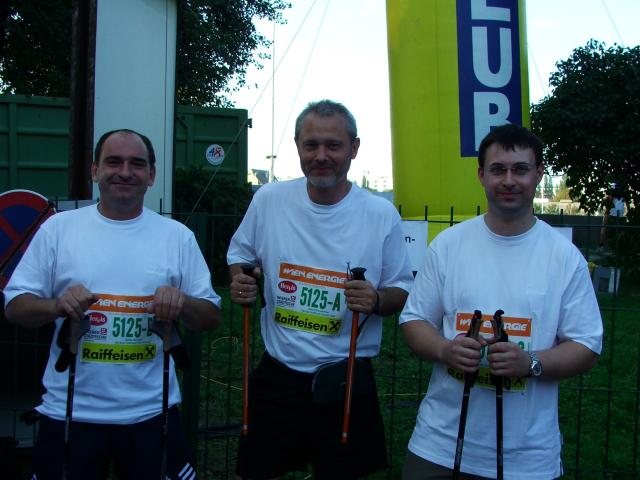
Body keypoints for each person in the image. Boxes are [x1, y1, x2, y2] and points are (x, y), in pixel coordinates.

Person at [4, 129, 221, 480]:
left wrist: (181, 302)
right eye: (114, 162)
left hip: (152, 414)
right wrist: (58, 305)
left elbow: (210, 316)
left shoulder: (177, 237)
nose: (125, 172)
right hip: (70, 412)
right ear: (95, 170)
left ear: (151, 174)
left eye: (137, 164)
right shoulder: (58, 230)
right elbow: (15, 307)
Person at [399, 124, 603, 480]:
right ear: (481, 175)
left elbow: (587, 345)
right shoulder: (448, 245)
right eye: (498, 170)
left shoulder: (564, 257)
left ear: (538, 174)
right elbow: (414, 321)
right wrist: (446, 350)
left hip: (527, 458)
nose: (509, 180)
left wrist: (531, 362)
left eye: (520, 169)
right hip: (439, 446)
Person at [227, 99, 413, 479]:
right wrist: (241, 279)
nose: (321, 156)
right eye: (311, 145)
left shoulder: (380, 214)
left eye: (334, 145)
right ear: (297, 146)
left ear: (354, 148)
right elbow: (240, 255)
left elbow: (400, 288)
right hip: (279, 371)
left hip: (345, 377)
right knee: (258, 471)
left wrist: (377, 300)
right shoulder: (269, 200)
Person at [599, 182, 626, 247]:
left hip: (611, 213)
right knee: (618, 230)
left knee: (604, 227)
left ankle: (602, 244)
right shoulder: (623, 194)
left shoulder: (611, 194)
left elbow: (607, 201)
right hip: (620, 214)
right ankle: (616, 245)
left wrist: (602, 206)